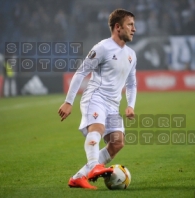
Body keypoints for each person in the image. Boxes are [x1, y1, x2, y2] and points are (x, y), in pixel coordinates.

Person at [58, 9, 137, 189]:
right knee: (98, 129)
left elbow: (132, 84)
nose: (134, 29)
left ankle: (79, 177)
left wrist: (130, 105)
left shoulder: (132, 54)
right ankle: (94, 166)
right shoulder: (102, 47)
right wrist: (69, 101)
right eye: (130, 25)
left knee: (117, 143)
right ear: (118, 27)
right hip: (96, 97)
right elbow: (81, 72)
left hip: (113, 104)